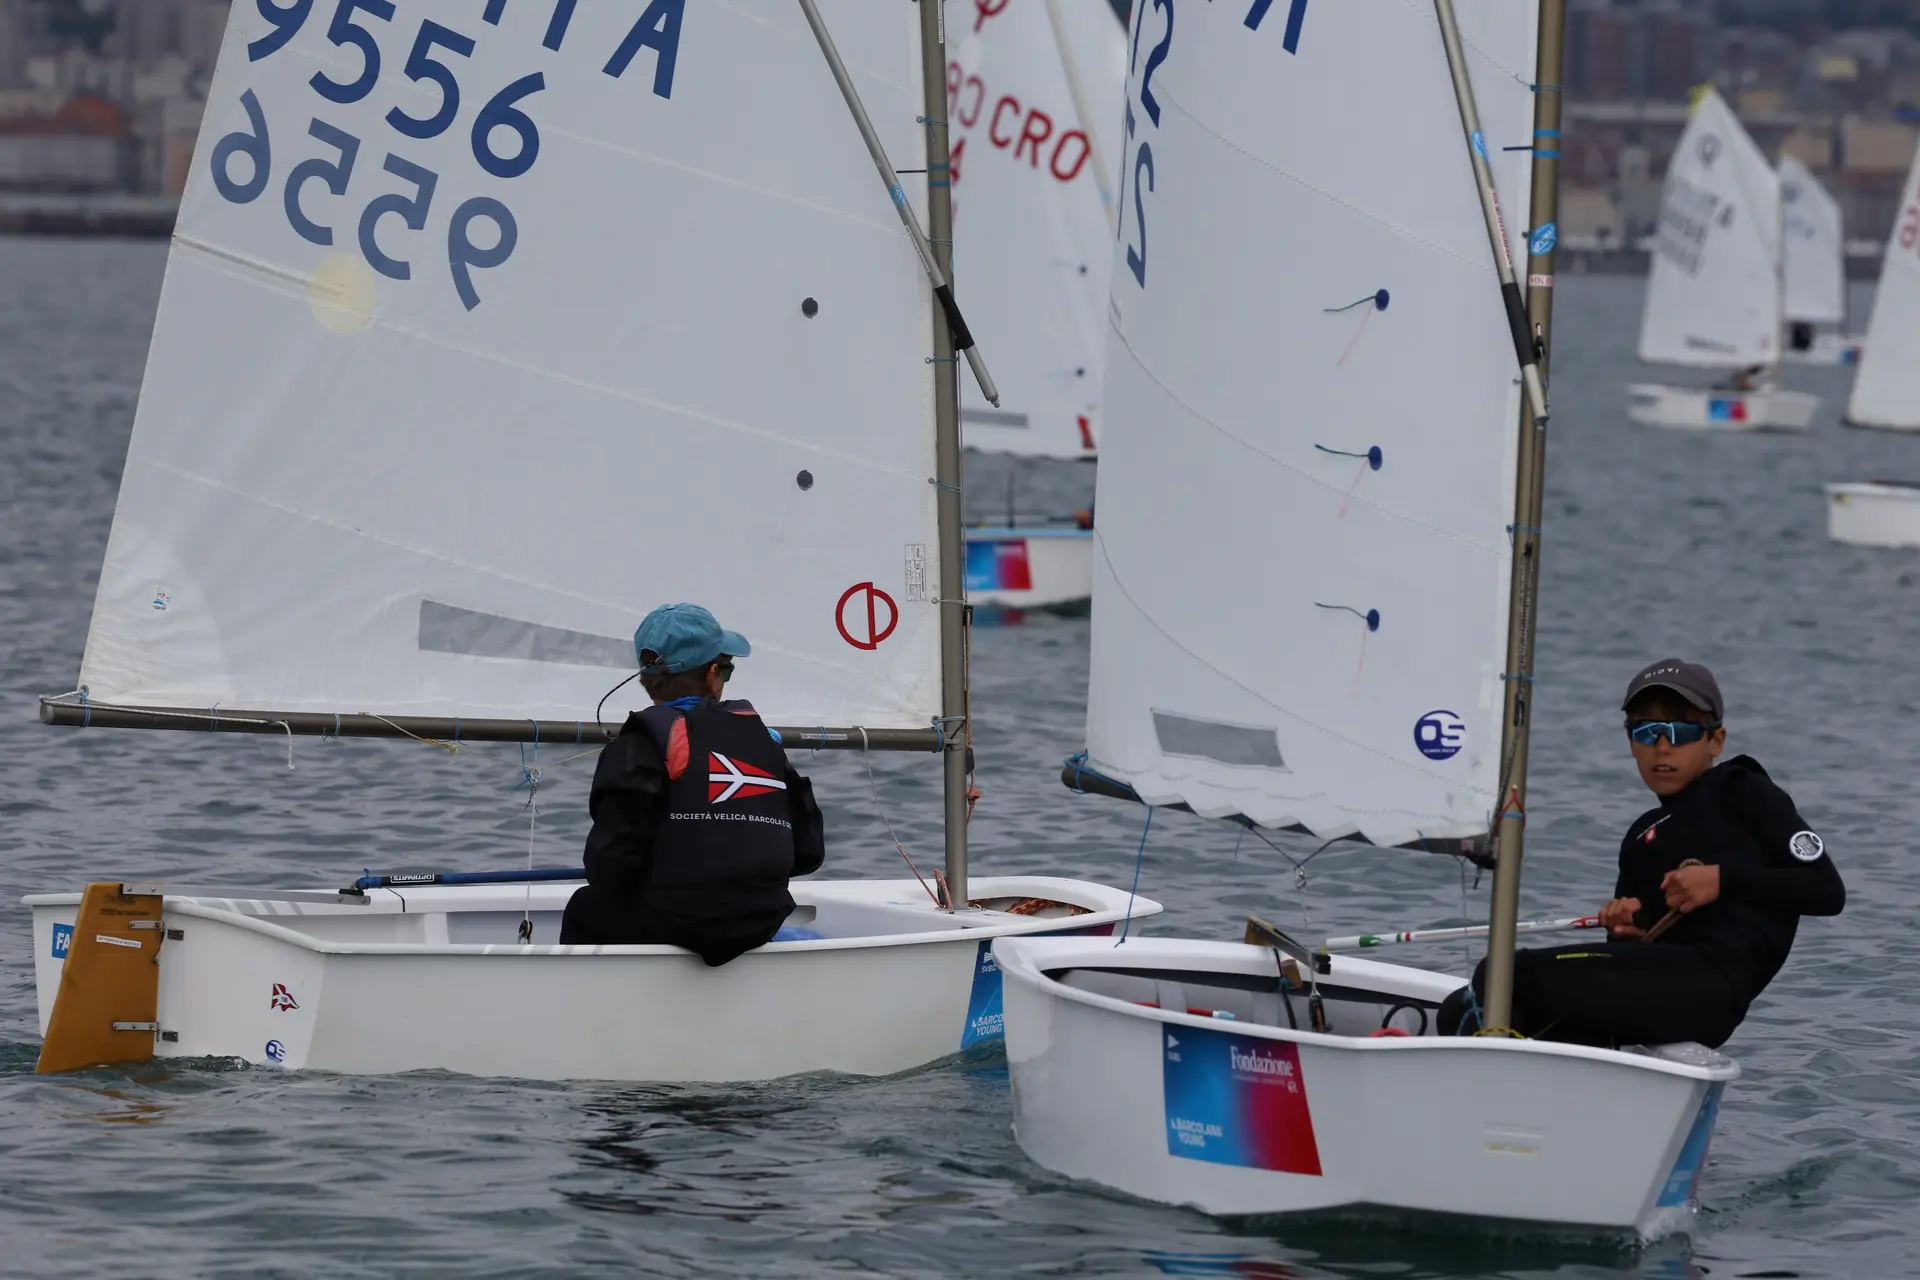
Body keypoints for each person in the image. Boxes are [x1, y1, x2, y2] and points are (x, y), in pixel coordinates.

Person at [1438, 659, 1844, 1048]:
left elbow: (1826, 890)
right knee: (1462, 1006)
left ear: (1715, 741)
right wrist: (1624, 930)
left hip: (1712, 985)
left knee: (1503, 976)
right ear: (1631, 742)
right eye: (1647, 733)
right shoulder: (1641, 835)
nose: (1662, 748)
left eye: (1680, 732)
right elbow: (1625, 956)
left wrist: (1722, 880)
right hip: (1657, 985)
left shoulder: (1744, 791)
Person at [559, 603, 825, 964]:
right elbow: (809, 854)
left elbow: (608, 865)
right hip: (761, 922)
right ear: (713, 674)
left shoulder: (639, 744)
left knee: (585, 907)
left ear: (645, 676)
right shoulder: (765, 740)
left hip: (671, 924)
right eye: (727, 668)